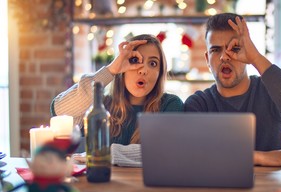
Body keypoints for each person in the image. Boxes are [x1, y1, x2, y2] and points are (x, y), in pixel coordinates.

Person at [184, 13, 281, 167]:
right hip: (219, 190)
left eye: (233, 48)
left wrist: (255, 57)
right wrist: (260, 157)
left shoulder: (272, 91)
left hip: (272, 189)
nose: (224, 57)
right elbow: (196, 155)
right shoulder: (199, 104)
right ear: (207, 59)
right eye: (216, 50)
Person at [51, 34, 184, 146]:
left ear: (160, 73)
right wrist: (111, 70)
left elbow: (162, 152)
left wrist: (102, 152)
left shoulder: (170, 105)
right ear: (122, 68)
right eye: (135, 60)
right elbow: (59, 110)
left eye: (153, 63)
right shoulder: (99, 106)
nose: (143, 70)